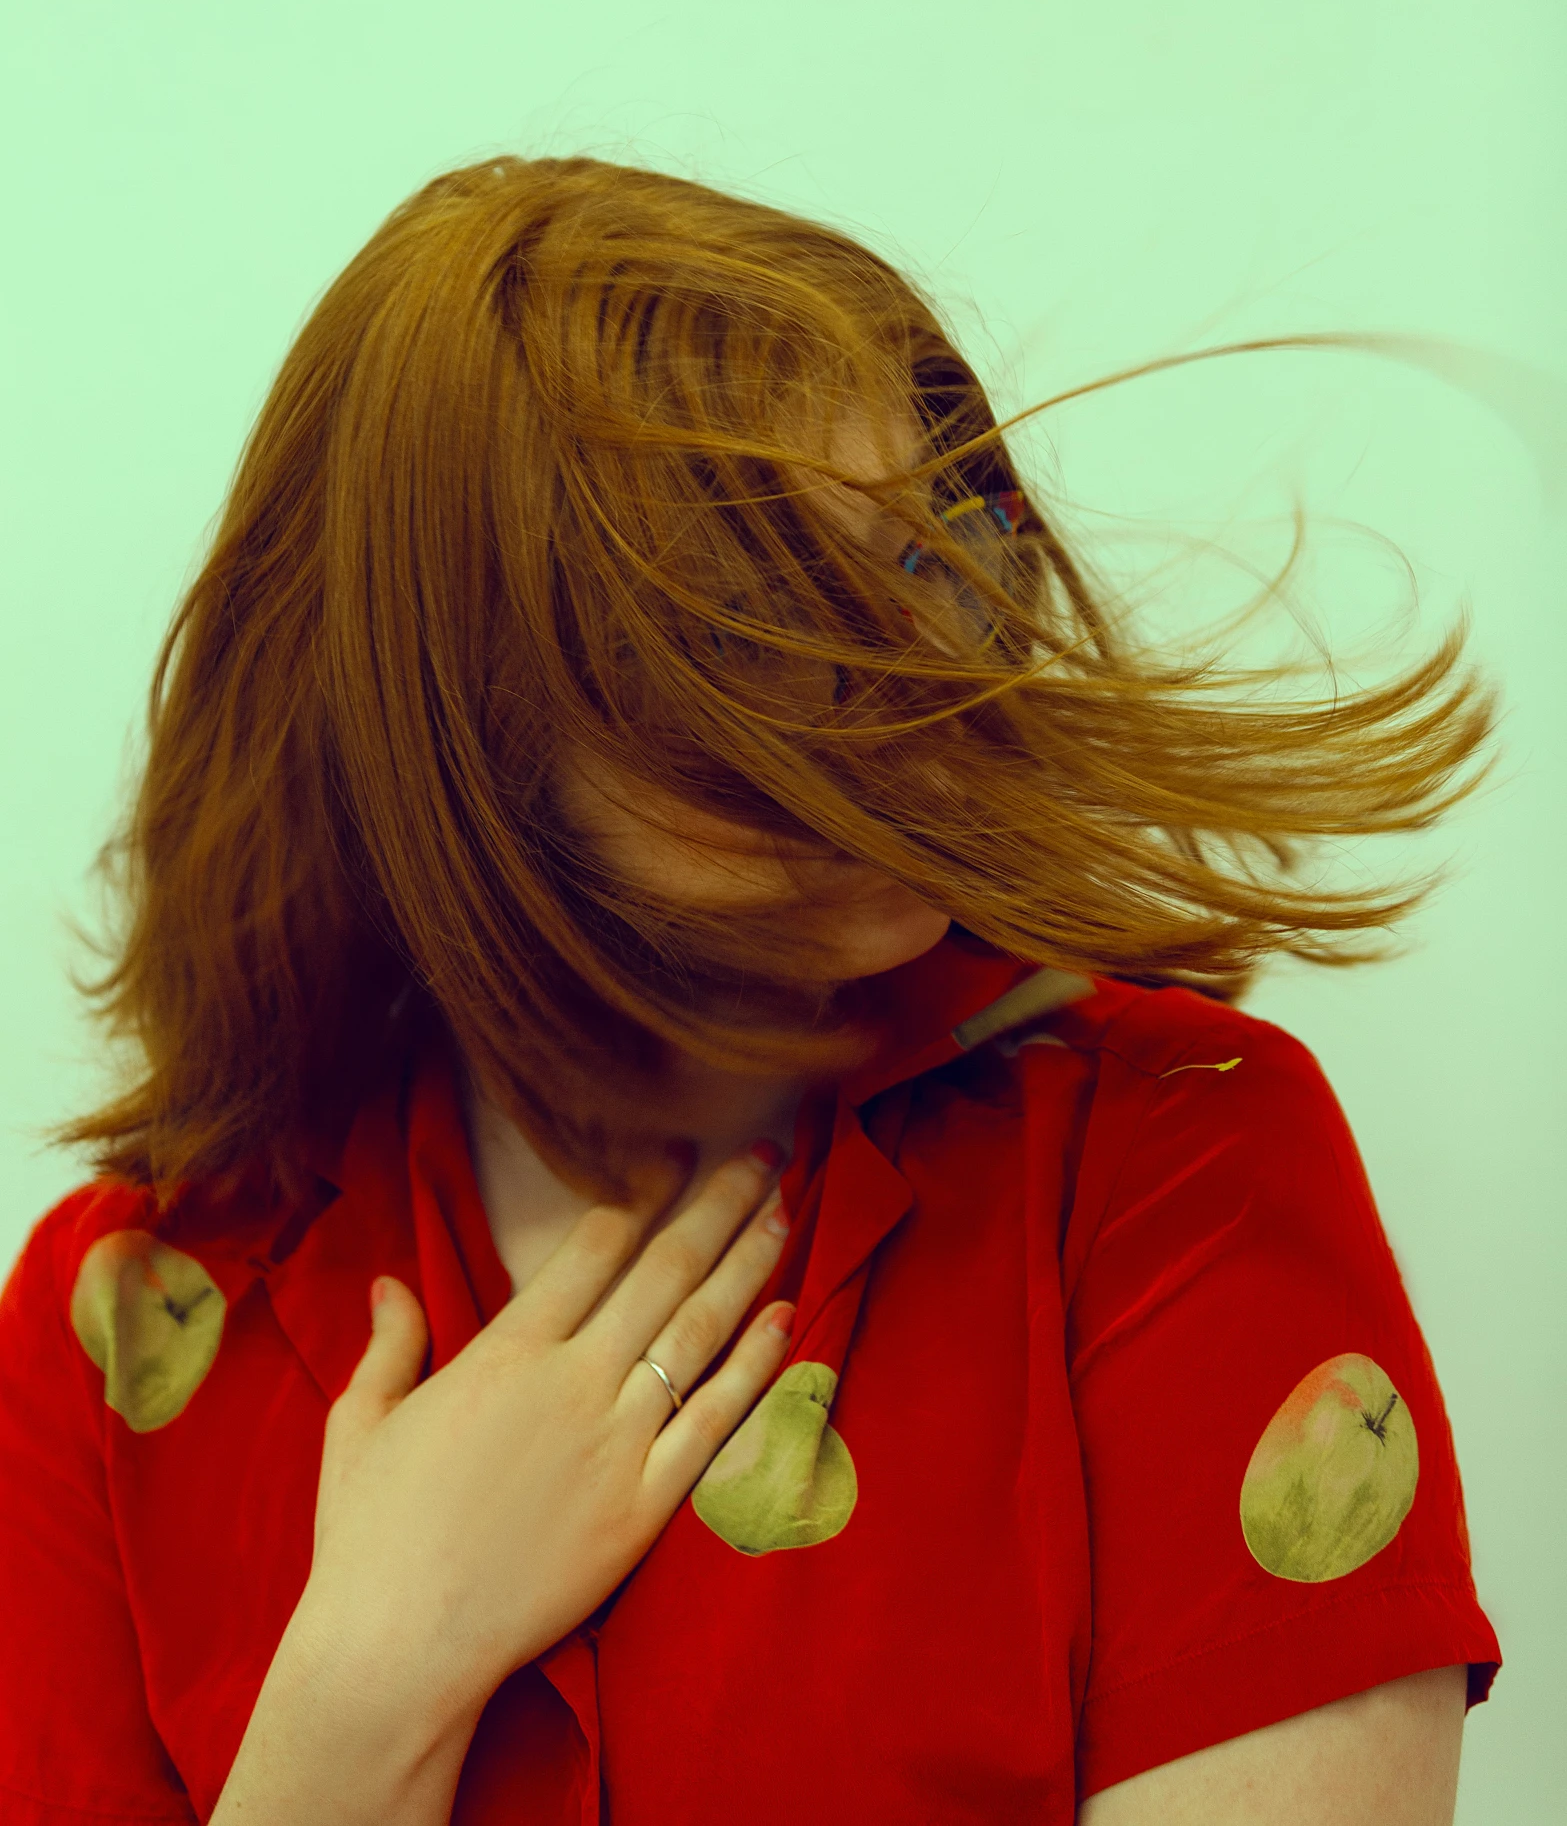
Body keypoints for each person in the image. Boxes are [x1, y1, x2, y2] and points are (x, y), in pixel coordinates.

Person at [0, 156, 1499, 1826]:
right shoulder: (115, 1318)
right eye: (745, 633)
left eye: (931, 554)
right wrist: (361, 1686)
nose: (914, 700)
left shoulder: (1169, 1165)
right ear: (448, 734)